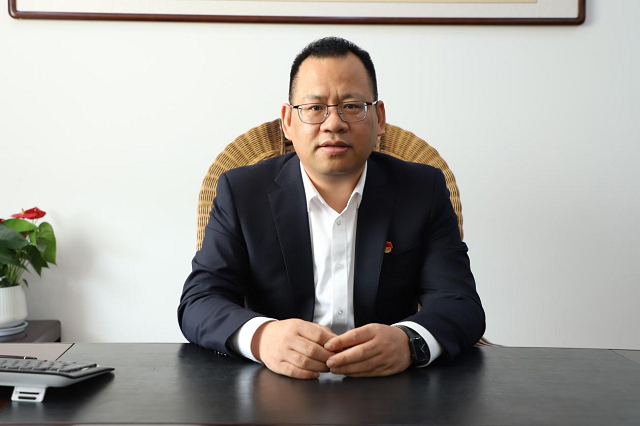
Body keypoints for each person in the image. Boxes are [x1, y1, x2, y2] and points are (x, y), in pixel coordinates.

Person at [178, 37, 485, 379]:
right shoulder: (241, 192)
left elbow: (460, 305)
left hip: (390, 384)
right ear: (288, 121)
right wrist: (263, 338)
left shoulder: (422, 190)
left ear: (379, 117)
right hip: (276, 382)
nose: (333, 123)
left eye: (352, 106)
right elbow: (200, 301)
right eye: (314, 108)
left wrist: (408, 342)